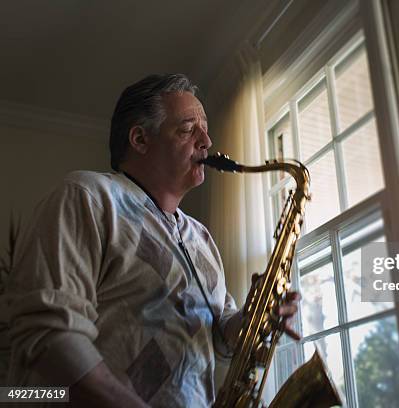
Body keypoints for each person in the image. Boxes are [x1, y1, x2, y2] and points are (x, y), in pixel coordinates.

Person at [4, 74, 300, 407]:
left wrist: (252, 317)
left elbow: (220, 337)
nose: (207, 141)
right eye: (188, 129)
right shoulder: (87, 196)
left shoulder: (201, 237)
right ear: (140, 139)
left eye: (204, 128)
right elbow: (49, 332)